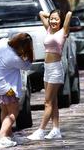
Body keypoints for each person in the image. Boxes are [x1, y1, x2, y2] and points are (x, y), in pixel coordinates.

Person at [28, 9, 73, 140]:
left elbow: (69, 13)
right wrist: (51, 16)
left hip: (55, 69)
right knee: (53, 101)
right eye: (52, 19)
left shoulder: (63, 32)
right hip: (47, 68)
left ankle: (41, 130)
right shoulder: (49, 29)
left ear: (61, 21)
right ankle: (55, 129)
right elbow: (41, 13)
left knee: (47, 102)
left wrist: (59, 17)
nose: (53, 21)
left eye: (56, 19)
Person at [0, 33, 34, 149]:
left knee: (5, 110)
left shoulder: (2, 43)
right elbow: (27, 66)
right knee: (14, 113)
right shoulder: (14, 58)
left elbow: (6, 38)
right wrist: (30, 52)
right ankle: (0, 138)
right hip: (6, 87)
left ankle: (8, 135)